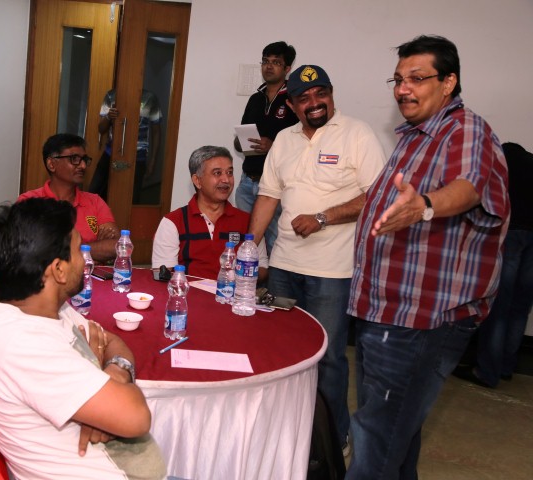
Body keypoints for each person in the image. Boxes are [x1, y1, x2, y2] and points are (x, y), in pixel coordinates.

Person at [347, 35, 509, 479]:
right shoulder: (413, 136)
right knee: (395, 434)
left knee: (375, 441)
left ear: (448, 82)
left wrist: (426, 206)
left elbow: (468, 187)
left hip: (419, 319)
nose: (403, 89)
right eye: (398, 80)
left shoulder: (464, 130)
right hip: (385, 311)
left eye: (417, 78)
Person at [0, 198, 166, 479]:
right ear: (58, 270)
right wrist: (110, 388)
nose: (85, 261)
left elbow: (112, 342)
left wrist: (114, 371)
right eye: (79, 250)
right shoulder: (24, 345)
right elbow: (137, 417)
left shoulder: (41, 307)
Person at [249, 64, 386, 454]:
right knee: (280, 350)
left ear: (331, 93)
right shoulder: (284, 140)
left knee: (327, 358)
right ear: (293, 105)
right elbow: (268, 197)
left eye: (321, 93)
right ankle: (284, 430)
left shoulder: (357, 133)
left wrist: (324, 217)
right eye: (304, 98)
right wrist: (245, 247)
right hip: (283, 266)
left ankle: (332, 438)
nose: (314, 102)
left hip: (332, 271)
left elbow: (376, 195)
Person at [453, 142, 533, 388]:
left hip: (511, 236)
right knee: (520, 306)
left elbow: (488, 202)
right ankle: (507, 366)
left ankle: (486, 371)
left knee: (498, 306)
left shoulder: (501, 164)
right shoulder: (529, 163)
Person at [151, 145, 268, 280]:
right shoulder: (173, 222)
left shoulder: (249, 222)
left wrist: (243, 274)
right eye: (217, 173)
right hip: (189, 292)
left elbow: (263, 268)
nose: (226, 180)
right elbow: (161, 275)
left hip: (233, 292)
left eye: (229, 172)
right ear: (197, 181)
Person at [234, 41, 299, 255]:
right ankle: (250, 275)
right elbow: (239, 140)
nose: (269, 66)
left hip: (275, 184)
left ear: (287, 68)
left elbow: (302, 142)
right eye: (265, 61)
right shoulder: (255, 98)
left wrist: (273, 145)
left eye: (276, 62)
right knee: (247, 240)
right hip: (247, 181)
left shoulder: (294, 99)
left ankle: (272, 277)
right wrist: (241, 142)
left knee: (274, 241)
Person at [18, 133, 120, 263]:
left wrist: (62, 248)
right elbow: (31, 251)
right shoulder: (29, 201)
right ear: (51, 164)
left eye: (84, 159)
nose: (83, 166)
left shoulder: (95, 201)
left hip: (92, 276)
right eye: (74, 159)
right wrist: (92, 250)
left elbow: (116, 246)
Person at [89, 89, 162, 203]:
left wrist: (153, 160)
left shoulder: (150, 98)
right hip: (111, 153)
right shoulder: (111, 95)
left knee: (132, 200)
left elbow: (156, 132)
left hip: (138, 156)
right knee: (94, 193)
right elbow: (101, 129)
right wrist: (109, 116)